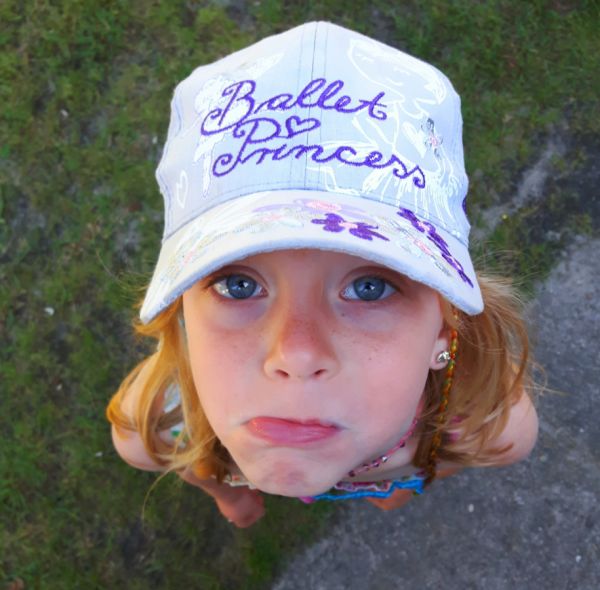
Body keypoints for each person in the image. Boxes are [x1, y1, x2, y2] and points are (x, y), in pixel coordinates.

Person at [107, 21, 539, 528]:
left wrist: (402, 479)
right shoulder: (159, 425)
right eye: (237, 285)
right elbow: (189, 462)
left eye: (370, 288)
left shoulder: (486, 423)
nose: (296, 355)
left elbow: (458, 456)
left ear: (445, 326)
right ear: (184, 315)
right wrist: (228, 494)